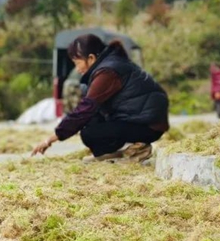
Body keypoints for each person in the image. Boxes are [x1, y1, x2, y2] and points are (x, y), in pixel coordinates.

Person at [32, 34, 169, 163]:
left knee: (89, 133)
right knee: (91, 122)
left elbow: (85, 109)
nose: (77, 69)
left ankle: (138, 148)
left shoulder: (108, 72)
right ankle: (112, 154)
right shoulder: (107, 66)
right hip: (136, 119)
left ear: (91, 58)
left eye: (77, 62)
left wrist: (51, 139)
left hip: (148, 125)